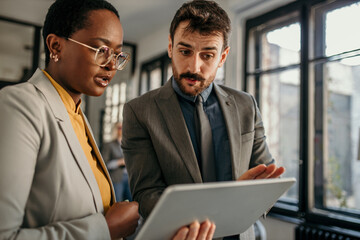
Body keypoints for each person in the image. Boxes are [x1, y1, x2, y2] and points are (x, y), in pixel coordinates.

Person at [0, 0, 214, 239]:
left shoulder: (76, 115)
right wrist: (105, 228)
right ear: (56, 46)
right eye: (101, 50)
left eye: (117, 54)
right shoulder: (19, 105)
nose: (112, 65)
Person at [121, 0, 285, 239]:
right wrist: (227, 205)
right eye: (185, 51)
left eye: (207, 55)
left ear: (223, 56)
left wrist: (250, 197)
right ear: (170, 46)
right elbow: (146, 195)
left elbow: (266, 183)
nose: (193, 66)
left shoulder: (245, 105)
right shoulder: (139, 111)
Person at [102, 122, 132, 202]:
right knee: (117, 202)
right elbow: (104, 164)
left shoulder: (130, 144)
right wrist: (119, 162)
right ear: (116, 129)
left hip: (130, 178)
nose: (122, 129)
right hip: (117, 178)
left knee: (133, 203)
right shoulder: (109, 145)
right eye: (120, 128)